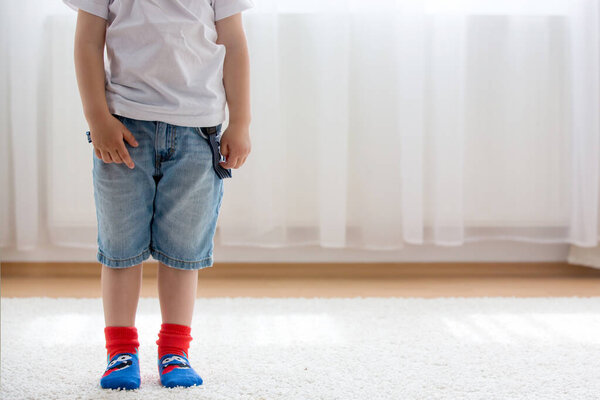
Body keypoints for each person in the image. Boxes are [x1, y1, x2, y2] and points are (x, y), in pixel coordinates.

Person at [63, 0, 253, 390]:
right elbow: (86, 42)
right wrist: (97, 117)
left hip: (197, 134)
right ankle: (120, 352)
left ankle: (175, 350)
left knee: (183, 253)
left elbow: (233, 44)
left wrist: (242, 122)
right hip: (123, 130)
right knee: (121, 249)